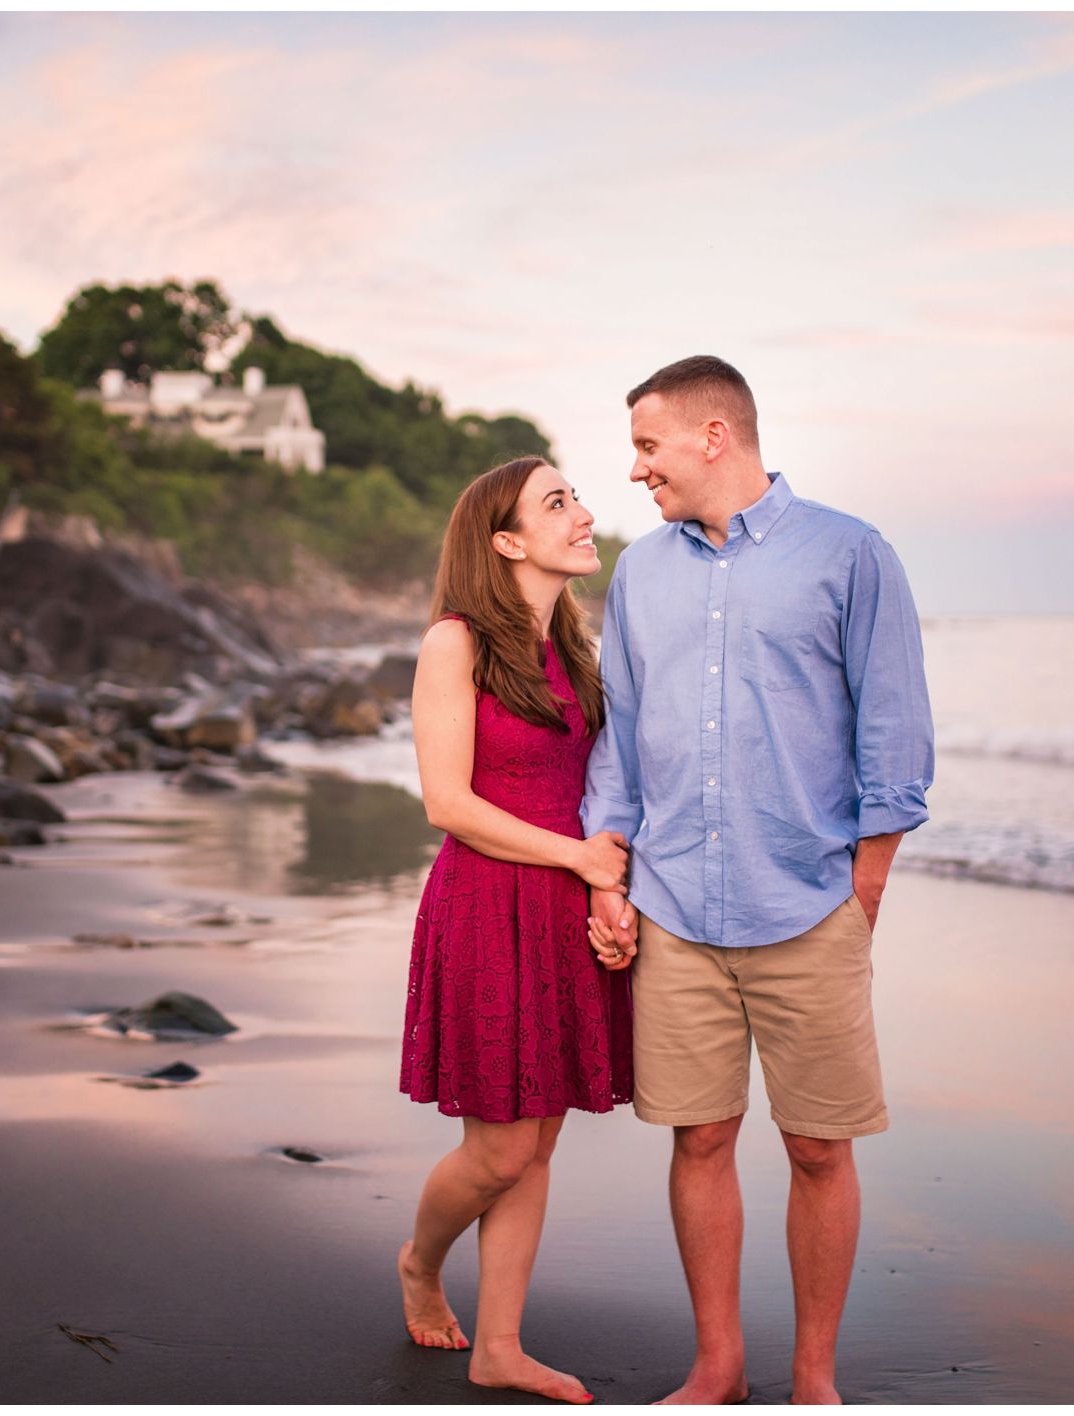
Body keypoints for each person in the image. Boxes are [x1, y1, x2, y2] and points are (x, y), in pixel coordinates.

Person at [582, 355, 934, 1405]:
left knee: (818, 1148)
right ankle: (716, 1366)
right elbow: (620, 741)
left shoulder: (849, 554)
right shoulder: (638, 573)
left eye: (647, 445)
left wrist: (862, 889)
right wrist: (609, 869)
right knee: (698, 1137)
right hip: (675, 907)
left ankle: (811, 1379)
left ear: (712, 437)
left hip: (808, 904)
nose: (634, 469)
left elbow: (894, 731)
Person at [393, 455, 636, 1403]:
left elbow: (598, 792)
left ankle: (498, 1345)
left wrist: (610, 894)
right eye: (558, 503)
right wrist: (578, 862)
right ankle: (419, 1260)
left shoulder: (573, 648)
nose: (583, 515)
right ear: (505, 541)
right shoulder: (453, 643)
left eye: (572, 498)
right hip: (488, 906)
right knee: (497, 1149)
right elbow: (445, 802)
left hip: (562, 911)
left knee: (537, 1143)